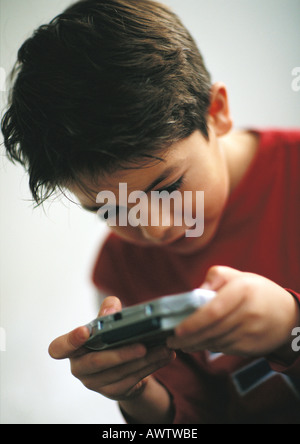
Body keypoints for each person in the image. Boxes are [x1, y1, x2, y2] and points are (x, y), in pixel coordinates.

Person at [2, 0, 300, 424]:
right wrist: (137, 394)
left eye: (168, 188)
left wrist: (290, 327)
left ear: (217, 113)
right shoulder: (119, 270)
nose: (156, 230)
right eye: (109, 210)